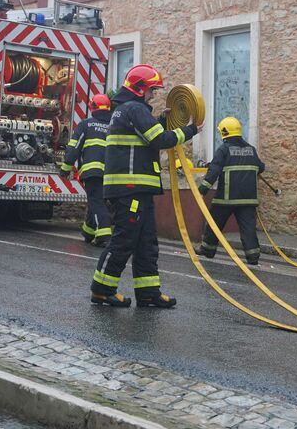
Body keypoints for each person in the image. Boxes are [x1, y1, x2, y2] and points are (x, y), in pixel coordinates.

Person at [90, 65, 199, 308]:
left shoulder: (127, 110)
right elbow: (158, 139)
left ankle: (148, 292)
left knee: (146, 242)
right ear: (140, 89)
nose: (154, 95)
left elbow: (146, 134)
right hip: (131, 190)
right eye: (152, 90)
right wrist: (190, 130)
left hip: (138, 190)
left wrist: (160, 119)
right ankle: (101, 289)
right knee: (124, 240)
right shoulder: (135, 109)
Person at [196, 116, 266, 265]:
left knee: (214, 223)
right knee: (248, 229)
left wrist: (203, 189)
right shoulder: (251, 149)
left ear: (224, 132)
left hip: (226, 198)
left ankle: (208, 249)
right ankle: (253, 257)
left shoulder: (224, 149)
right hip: (248, 198)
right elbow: (261, 167)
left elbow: (214, 171)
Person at [61, 93, 113, 247]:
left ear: (92, 107)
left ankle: (104, 234)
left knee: (97, 202)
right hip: (111, 173)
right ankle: (89, 232)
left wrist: (65, 167)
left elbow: (74, 147)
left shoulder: (86, 124)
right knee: (97, 200)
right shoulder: (114, 126)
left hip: (92, 172)